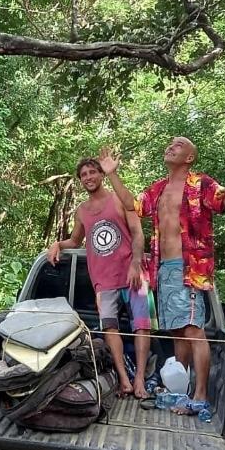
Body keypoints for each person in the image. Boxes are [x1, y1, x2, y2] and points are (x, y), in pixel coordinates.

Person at [100, 133, 225, 407]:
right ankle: (181, 390)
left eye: (177, 145)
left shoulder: (200, 184)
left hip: (189, 269)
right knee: (179, 332)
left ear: (189, 158)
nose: (170, 146)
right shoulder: (158, 189)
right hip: (162, 269)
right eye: (170, 144)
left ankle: (200, 395)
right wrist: (113, 175)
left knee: (193, 331)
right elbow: (133, 204)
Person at [48, 158, 152, 398]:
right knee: (110, 327)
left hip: (133, 274)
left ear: (101, 175)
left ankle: (140, 381)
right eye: (83, 174)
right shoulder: (82, 211)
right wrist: (57, 244)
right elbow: (75, 241)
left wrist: (136, 264)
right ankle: (124, 380)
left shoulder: (119, 199)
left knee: (142, 326)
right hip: (103, 280)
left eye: (92, 172)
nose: (88, 177)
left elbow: (138, 234)